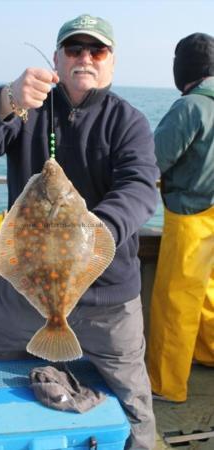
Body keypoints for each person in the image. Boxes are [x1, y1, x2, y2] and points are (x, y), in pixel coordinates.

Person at [0, 14, 158, 449]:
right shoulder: (25, 109)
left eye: (96, 50)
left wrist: (95, 234)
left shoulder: (128, 121)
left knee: (133, 403)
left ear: (111, 63)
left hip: (107, 301)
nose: (85, 58)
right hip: (25, 295)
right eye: (74, 49)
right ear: (58, 60)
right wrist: (6, 98)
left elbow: (139, 186)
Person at [147, 33, 214, 403]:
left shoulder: (190, 106)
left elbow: (153, 161)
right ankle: (208, 353)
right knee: (208, 294)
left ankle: (165, 385)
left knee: (176, 301)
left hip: (192, 217)